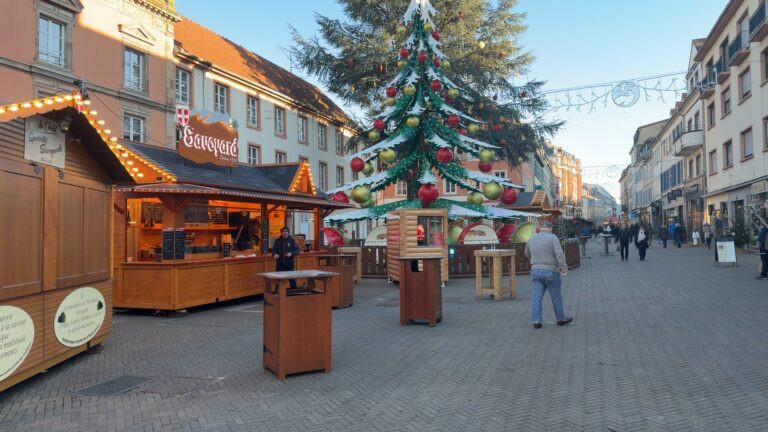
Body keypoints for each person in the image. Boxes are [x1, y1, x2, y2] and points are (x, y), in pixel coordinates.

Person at [524, 221, 573, 329]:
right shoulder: (553, 238)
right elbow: (559, 254)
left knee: (536, 297)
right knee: (556, 296)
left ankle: (536, 321)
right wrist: (563, 268)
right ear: (550, 228)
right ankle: (560, 319)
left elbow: (526, 254)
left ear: (540, 228)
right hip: (550, 271)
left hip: (535, 271)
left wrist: (534, 262)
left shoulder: (531, 238)